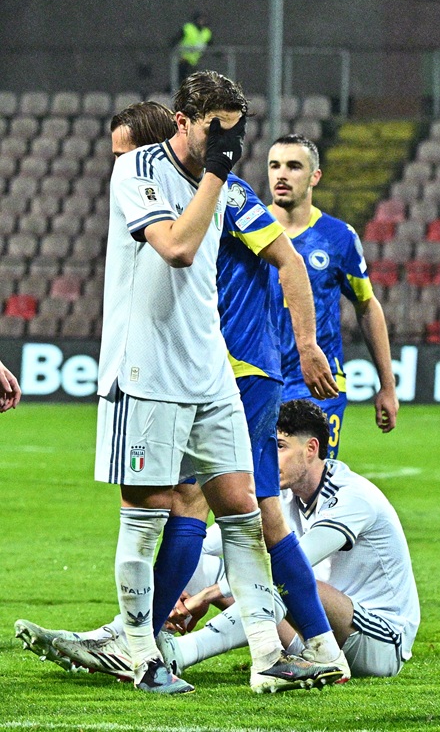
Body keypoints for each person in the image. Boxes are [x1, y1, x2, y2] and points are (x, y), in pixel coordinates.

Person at [18, 99, 347, 688]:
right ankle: (286, 649)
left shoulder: (220, 190)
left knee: (210, 507)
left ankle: (145, 640)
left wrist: (307, 343)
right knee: (240, 509)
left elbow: (255, 256)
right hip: (222, 367)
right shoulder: (188, 186)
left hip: (229, 367)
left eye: (125, 154)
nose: (120, 168)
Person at [157, 399, 420, 679]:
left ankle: (181, 652)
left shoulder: (353, 497)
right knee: (192, 559)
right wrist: (178, 594)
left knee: (287, 576)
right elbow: (209, 544)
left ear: (311, 449)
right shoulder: (283, 495)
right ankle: (137, 634)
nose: (268, 458)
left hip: (376, 642)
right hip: (310, 632)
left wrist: (207, 595)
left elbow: (296, 565)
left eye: (279, 447)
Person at [267, 134, 399, 457]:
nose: (281, 175)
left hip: (318, 384)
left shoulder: (338, 237)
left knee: (310, 484)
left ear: (315, 177)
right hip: (259, 376)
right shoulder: (246, 228)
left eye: (294, 166)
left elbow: (366, 306)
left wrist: (387, 385)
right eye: (275, 166)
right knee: (252, 490)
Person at [171, 12, 212, 85]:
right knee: (183, 80)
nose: (202, 21)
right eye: (200, 19)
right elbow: (175, 39)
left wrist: (220, 55)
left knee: (193, 81)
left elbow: (212, 46)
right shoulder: (188, 28)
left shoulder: (206, 32)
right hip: (183, 59)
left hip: (194, 61)